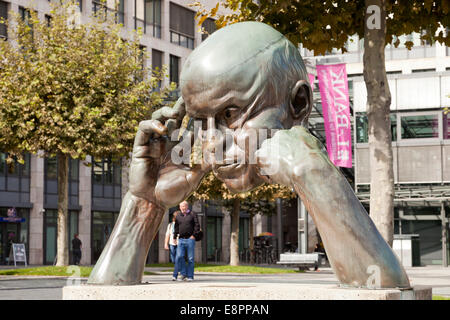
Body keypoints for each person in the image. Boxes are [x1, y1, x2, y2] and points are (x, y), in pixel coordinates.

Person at [174, 201, 199, 282]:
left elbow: (197, 225)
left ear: (187, 206)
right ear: (179, 207)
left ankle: (190, 276)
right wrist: (175, 237)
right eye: (181, 207)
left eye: (184, 206)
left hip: (190, 239)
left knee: (190, 258)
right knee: (180, 256)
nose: (183, 208)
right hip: (181, 239)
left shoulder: (192, 214)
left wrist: (194, 235)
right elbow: (176, 227)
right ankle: (184, 273)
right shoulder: (178, 216)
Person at [165, 210, 179, 281]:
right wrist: (165, 244)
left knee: (177, 259)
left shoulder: (181, 224)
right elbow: (167, 235)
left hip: (179, 244)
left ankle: (175, 275)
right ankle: (181, 269)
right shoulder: (170, 225)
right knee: (173, 259)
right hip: (171, 244)